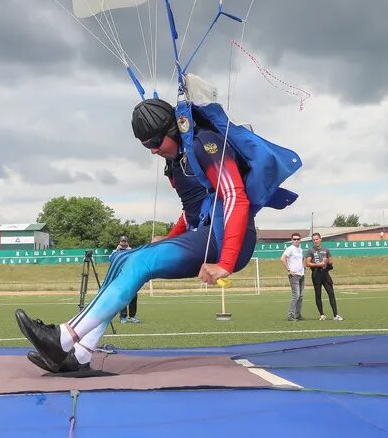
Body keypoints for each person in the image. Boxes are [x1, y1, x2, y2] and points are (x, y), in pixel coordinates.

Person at [16, 98, 256, 373]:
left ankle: (64, 338)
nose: (153, 151)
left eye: (155, 142)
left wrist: (225, 263)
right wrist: (171, 237)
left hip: (226, 236)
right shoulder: (176, 161)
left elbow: (236, 197)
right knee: (122, 260)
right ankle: (80, 355)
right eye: (146, 146)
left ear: (173, 129)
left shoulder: (207, 143)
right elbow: (192, 209)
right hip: (203, 232)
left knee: (138, 264)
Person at [305, 232, 342, 321]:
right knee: (318, 295)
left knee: (331, 293)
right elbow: (307, 263)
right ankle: (322, 315)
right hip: (316, 274)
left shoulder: (326, 250)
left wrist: (326, 263)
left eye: (317, 239)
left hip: (325, 274)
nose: (315, 241)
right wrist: (319, 264)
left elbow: (331, 262)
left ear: (320, 239)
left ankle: (335, 315)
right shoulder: (310, 251)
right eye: (314, 240)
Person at [111, 236, 140, 324]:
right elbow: (111, 259)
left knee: (133, 297)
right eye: (122, 241)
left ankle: (132, 316)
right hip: (121, 277)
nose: (123, 243)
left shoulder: (132, 251)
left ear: (127, 242)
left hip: (131, 277)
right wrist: (116, 251)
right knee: (123, 296)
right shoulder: (115, 252)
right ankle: (123, 316)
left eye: (125, 241)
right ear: (119, 242)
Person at [280, 232, 305, 321]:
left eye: (298, 239)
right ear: (292, 240)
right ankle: (291, 315)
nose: (296, 240)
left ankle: (298, 314)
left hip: (301, 274)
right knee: (296, 295)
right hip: (294, 276)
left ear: (300, 240)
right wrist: (289, 270)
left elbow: (302, 259)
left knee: (301, 296)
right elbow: (282, 258)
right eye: (294, 239)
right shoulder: (290, 249)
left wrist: (303, 267)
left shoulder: (300, 249)